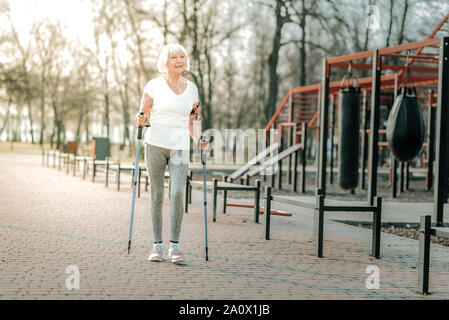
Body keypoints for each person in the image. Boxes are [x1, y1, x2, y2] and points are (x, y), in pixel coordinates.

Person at [135, 43, 208, 264]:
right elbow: (142, 113)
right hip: (155, 144)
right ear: (165, 62)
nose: (179, 60)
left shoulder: (193, 89)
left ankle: (174, 247)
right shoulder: (154, 85)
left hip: (180, 147)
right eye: (174, 57)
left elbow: (192, 121)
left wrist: (199, 138)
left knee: (177, 192)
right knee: (157, 194)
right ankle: (157, 245)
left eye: (182, 57)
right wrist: (139, 119)